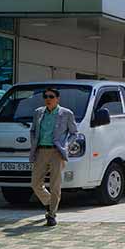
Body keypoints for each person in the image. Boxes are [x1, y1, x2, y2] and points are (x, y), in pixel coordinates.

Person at [29, 87, 78, 226]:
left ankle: (51, 214)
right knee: (35, 183)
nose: (48, 99)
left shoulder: (66, 113)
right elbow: (33, 130)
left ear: (57, 99)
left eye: (51, 96)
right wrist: (34, 143)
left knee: (55, 184)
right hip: (41, 151)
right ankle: (50, 203)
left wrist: (66, 146)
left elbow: (74, 133)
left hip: (57, 152)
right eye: (45, 96)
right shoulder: (38, 112)